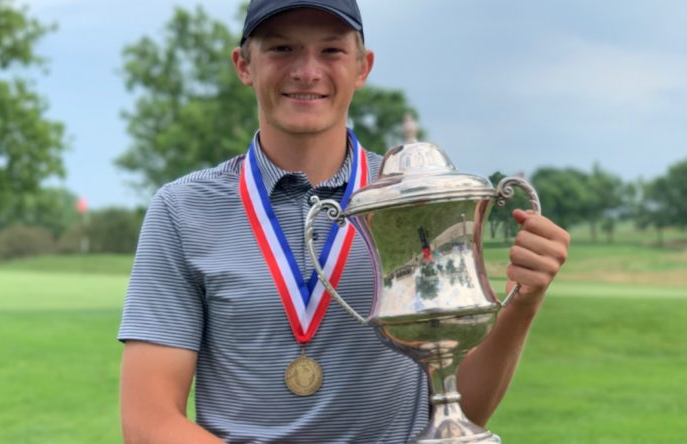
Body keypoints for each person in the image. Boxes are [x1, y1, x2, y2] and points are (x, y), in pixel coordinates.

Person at [118, 1, 571, 442]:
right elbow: (149, 422)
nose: (307, 71)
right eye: (281, 49)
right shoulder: (182, 210)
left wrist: (523, 302)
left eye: (331, 51)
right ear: (244, 65)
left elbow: (458, 413)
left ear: (362, 67)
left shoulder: (412, 199)